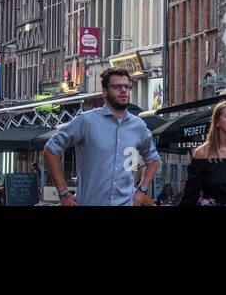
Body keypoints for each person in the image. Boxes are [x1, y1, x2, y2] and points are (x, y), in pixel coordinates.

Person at [43, 68, 160, 206]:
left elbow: (153, 160)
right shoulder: (87, 121)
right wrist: (64, 193)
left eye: (126, 86)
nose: (123, 90)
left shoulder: (138, 126)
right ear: (104, 92)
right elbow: (50, 151)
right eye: (117, 87)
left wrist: (143, 189)